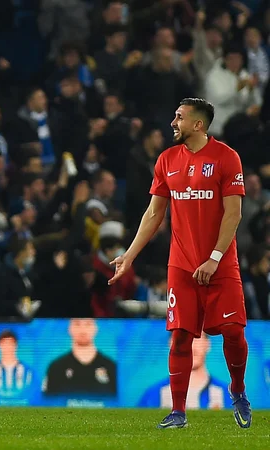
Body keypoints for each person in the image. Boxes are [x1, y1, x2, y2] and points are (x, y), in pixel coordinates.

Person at [110, 98, 251, 429]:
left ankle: (238, 390)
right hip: (182, 266)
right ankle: (178, 412)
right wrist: (129, 256)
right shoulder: (166, 160)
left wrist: (215, 258)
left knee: (233, 331)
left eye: (179, 117)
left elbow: (234, 214)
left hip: (220, 263)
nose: (173, 123)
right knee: (181, 336)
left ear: (198, 125)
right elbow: (154, 213)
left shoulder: (226, 158)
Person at [139, 334, 229, 410]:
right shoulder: (153, 395)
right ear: (171, 344)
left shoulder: (228, 395)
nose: (190, 346)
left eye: (196, 338)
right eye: (182, 339)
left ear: (207, 344)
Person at [42, 318, 118, 397]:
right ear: (69, 329)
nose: (83, 330)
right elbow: (46, 402)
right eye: (77, 324)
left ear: (95, 328)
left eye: (88, 324)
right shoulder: (56, 367)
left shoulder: (111, 367)